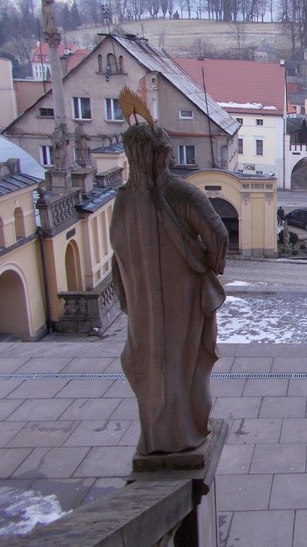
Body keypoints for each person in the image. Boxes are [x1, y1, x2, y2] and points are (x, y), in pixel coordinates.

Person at [110, 122, 229, 457]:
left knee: (149, 363)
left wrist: (127, 296)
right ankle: (185, 432)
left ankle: (156, 435)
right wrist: (209, 263)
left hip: (142, 305)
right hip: (184, 300)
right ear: (162, 155)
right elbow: (218, 235)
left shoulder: (123, 203)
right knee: (182, 364)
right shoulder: (180, 193)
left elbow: (116, 259)